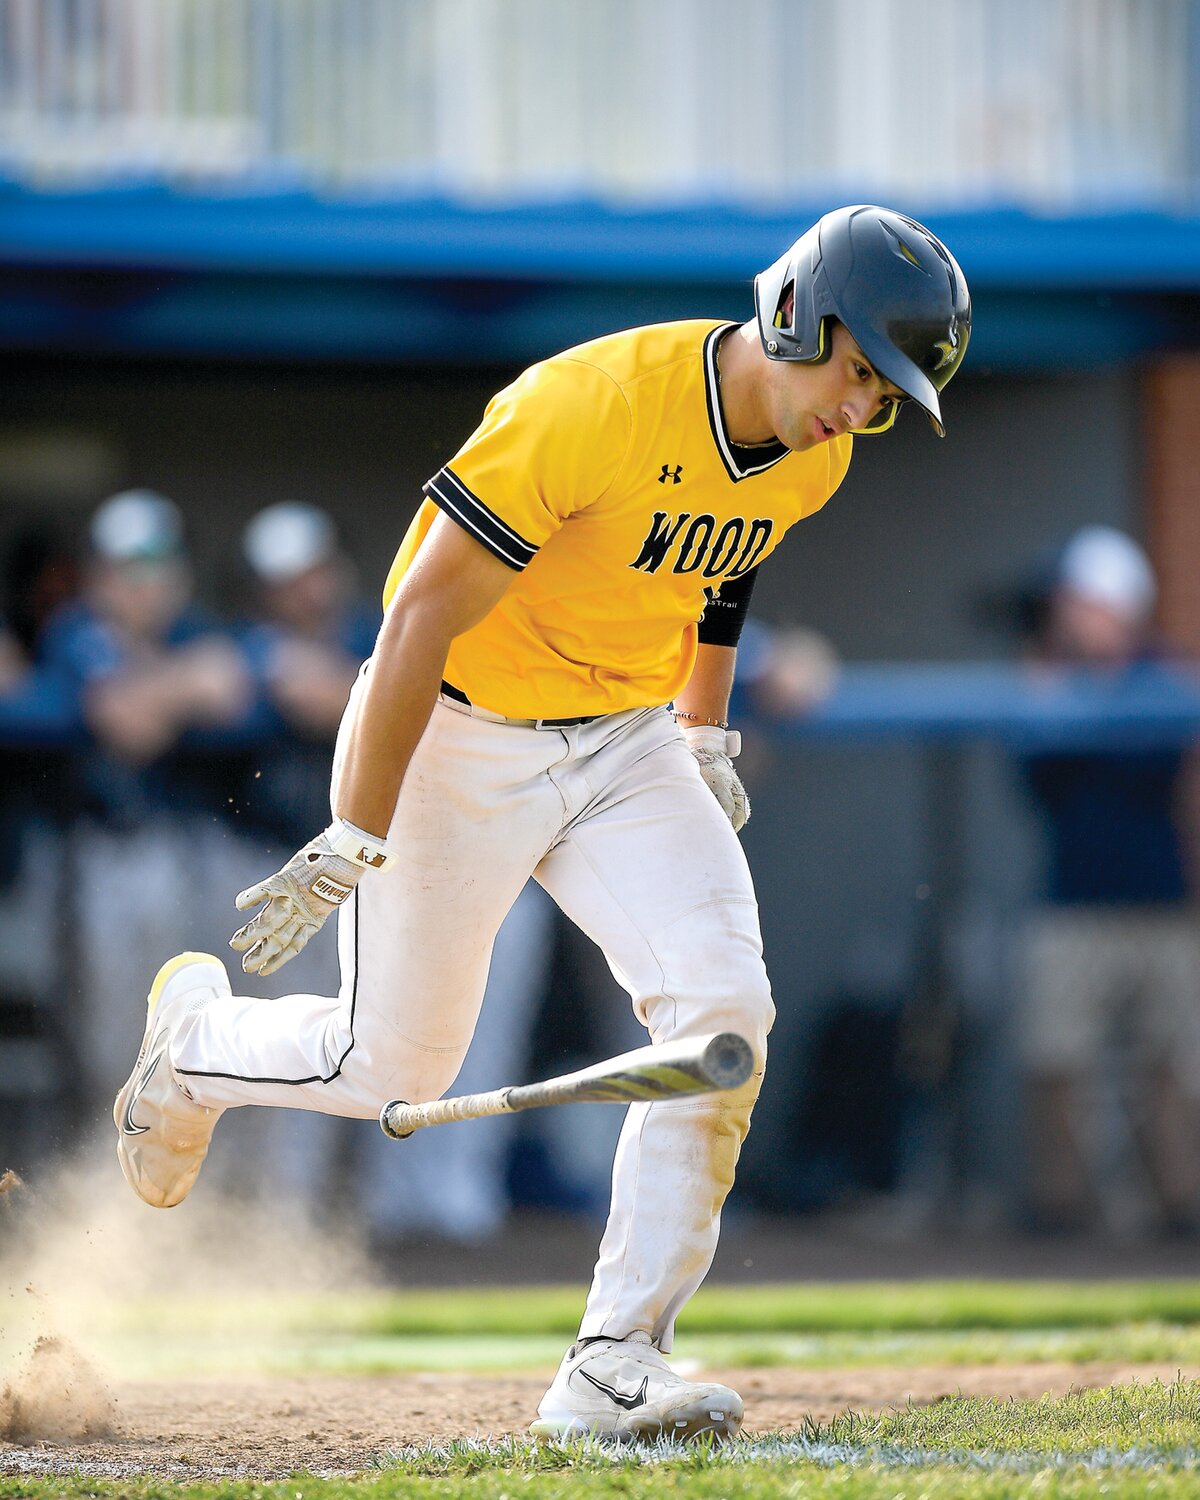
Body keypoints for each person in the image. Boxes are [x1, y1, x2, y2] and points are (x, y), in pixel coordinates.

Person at [112, 205, 971, 1441]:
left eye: (890, 395)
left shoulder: (817, 450)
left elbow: (724, 570)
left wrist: (706, 731)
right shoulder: (590, 403)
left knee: (725, 1011)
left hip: (625, 735)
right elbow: (414, 620)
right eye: (863, 373)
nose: (864, 409)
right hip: (460, 729)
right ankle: (193, 1045)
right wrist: (357, 827)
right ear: (798, 314)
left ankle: (616, 1358)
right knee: (389, 1068)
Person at [1016, 526, 1200, 1235]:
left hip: (1161, 901)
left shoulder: (1165, 675)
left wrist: (1078, 706)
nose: (1071, 617)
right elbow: (1037, 782)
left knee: (1171, 1065)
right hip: (1072, 901)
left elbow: (1150, 768)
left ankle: (1179, 1210)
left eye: (1084, 603)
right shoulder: (1049, 674)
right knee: (1058, 1061)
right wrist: (1056, 704)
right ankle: (1062, 1213)